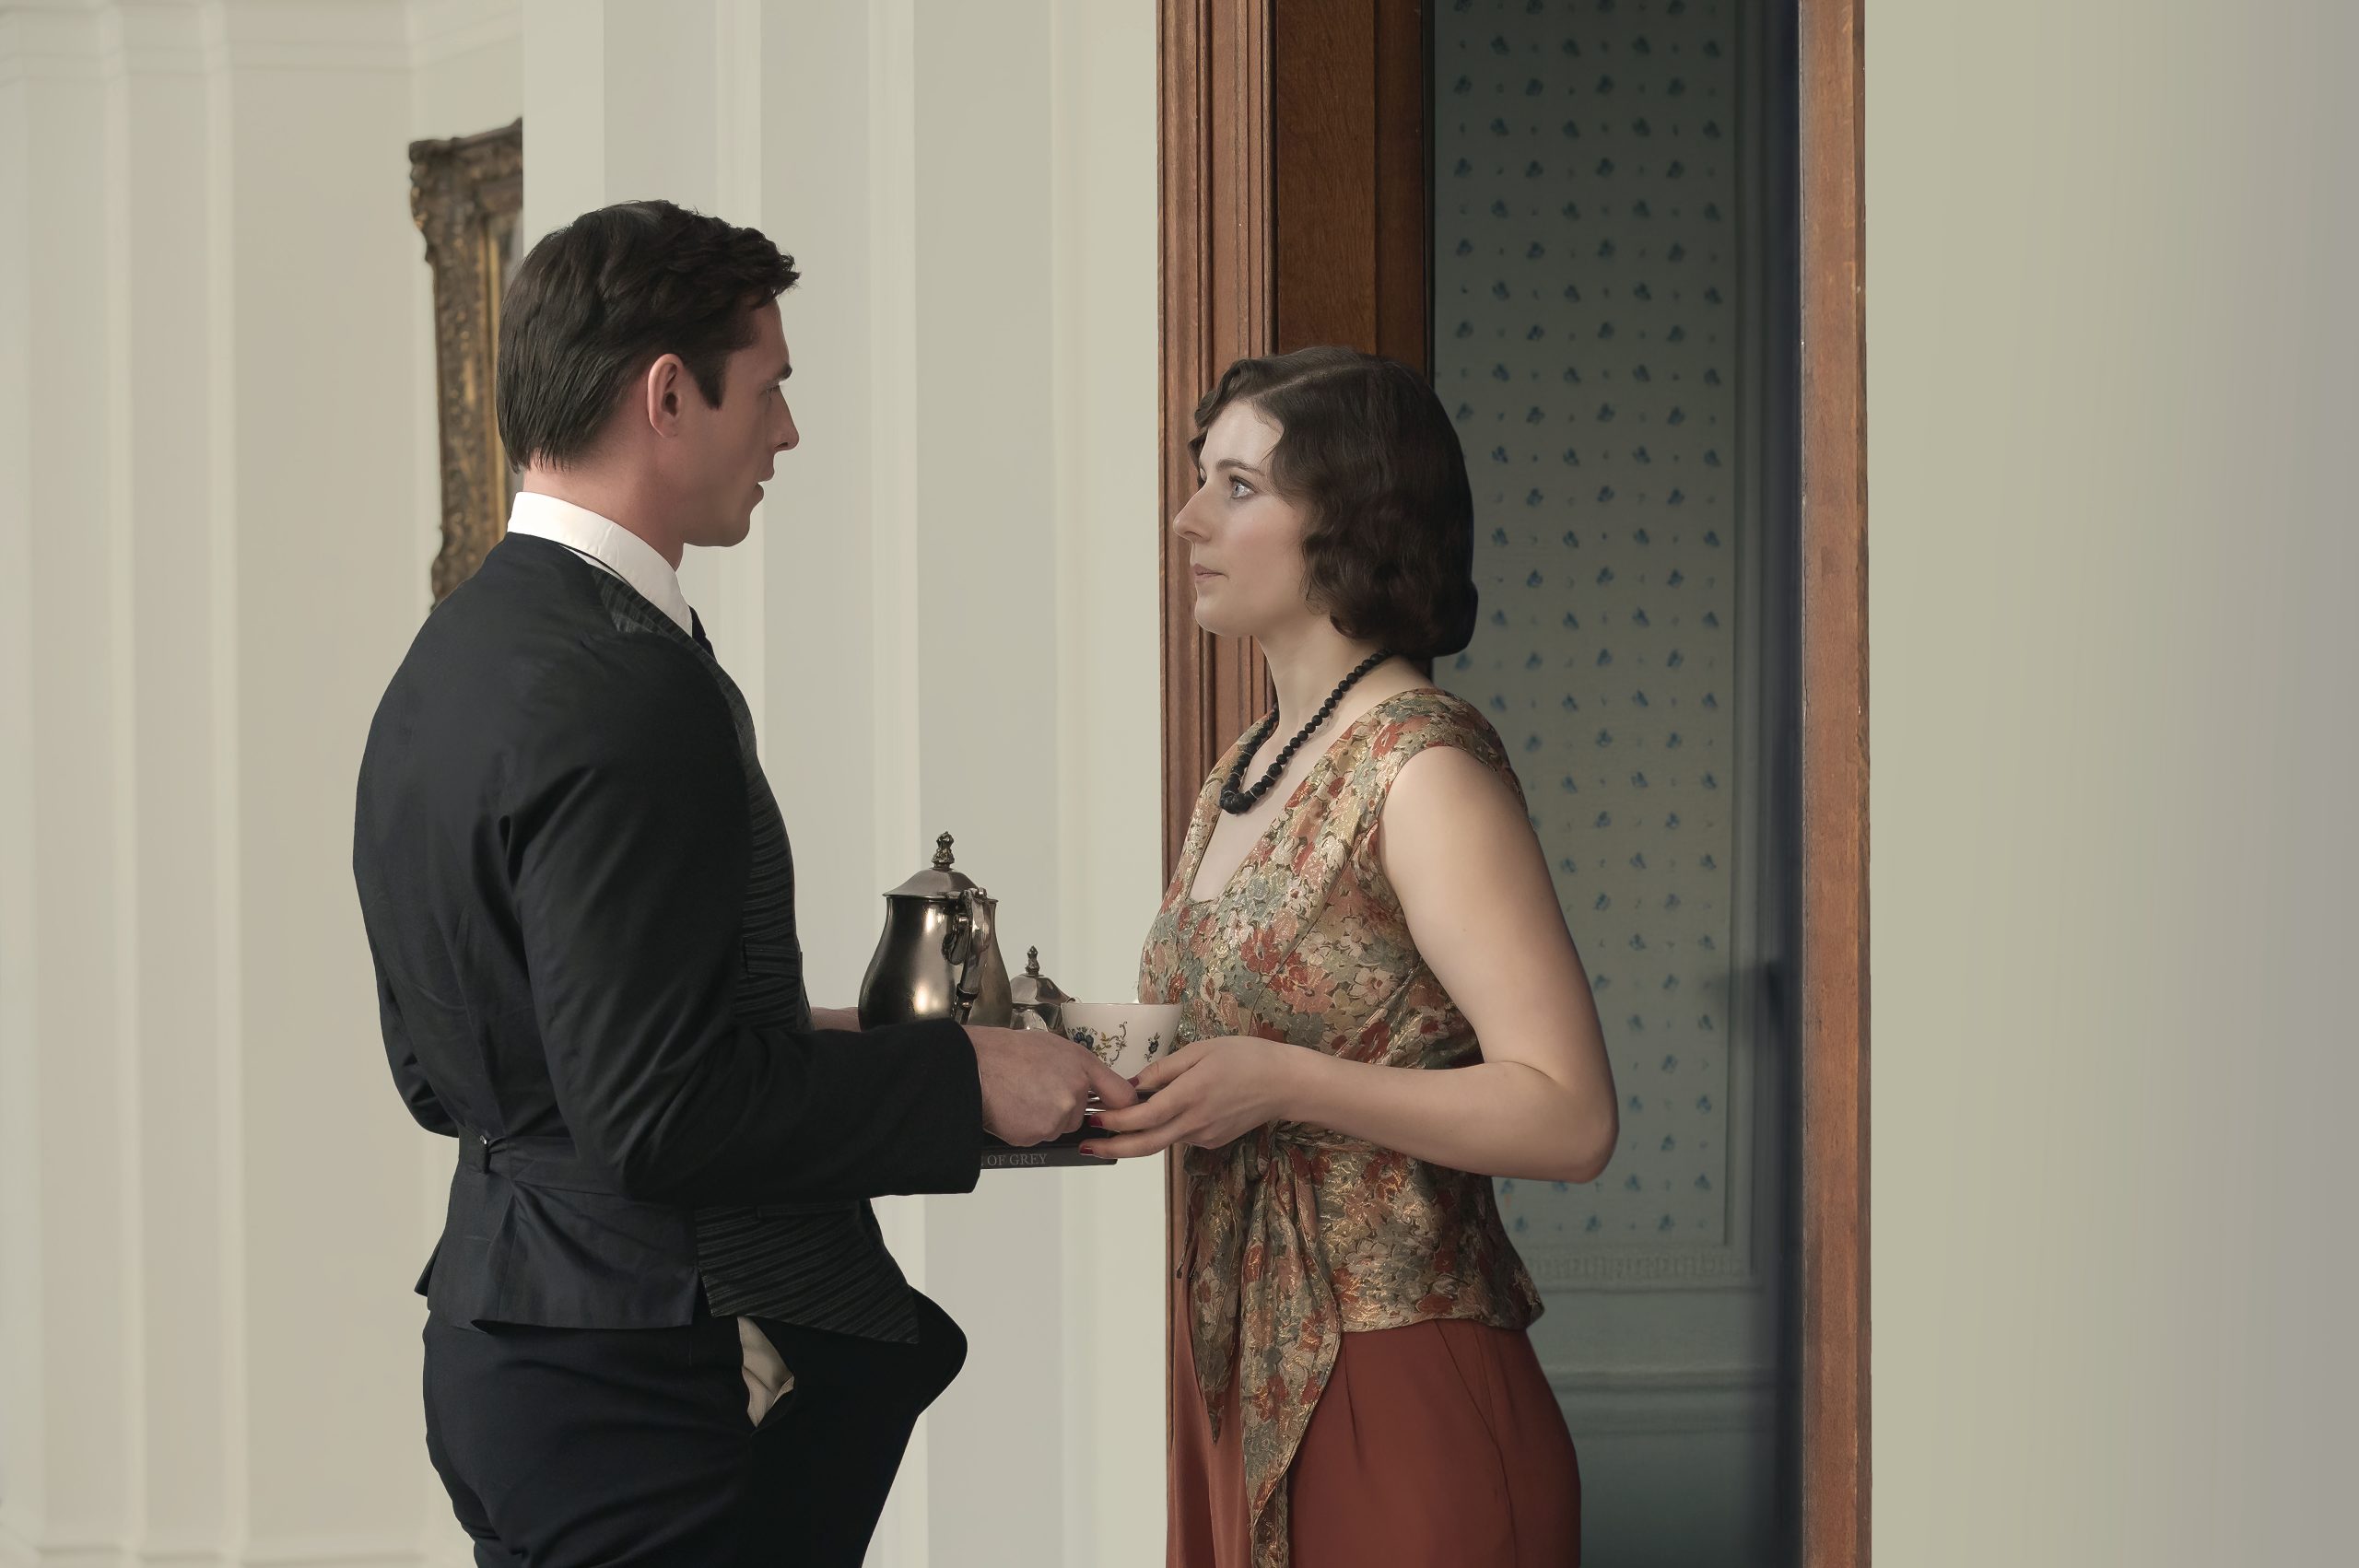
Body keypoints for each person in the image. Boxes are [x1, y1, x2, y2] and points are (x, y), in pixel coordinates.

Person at [352, 199, 1133, 1568]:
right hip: (635, 1382)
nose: (786, 432)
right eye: (768, 389)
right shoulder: (625, 683)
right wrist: (962, 1087)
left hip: (507, 1337)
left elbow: (470, 1068)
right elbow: (654, 1112)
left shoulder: (449, 661)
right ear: (669, 394)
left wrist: (905, 1039)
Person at [1082, 346, 1621, 1567]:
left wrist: (1282, 1082)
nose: (1188, 518)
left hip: (1399, 1371)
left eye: (1236, 486)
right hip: (1235, 1359)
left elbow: (1571, 1116)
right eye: (1198, 480)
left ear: (1351, 520)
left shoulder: (1421, 767)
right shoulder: (1244, 767)